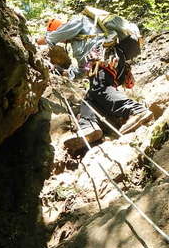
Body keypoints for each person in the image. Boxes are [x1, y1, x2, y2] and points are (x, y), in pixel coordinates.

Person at [37, 13, 153, 152]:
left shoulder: (78, 21)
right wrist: (64, 73)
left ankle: (136, 110)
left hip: (106, 60)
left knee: (100, 89)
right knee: (89, 99)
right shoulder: (82, 40)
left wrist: (37, 42)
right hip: (111, 64)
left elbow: (53, 37)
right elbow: (84, 68)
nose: (63, 40)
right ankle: (89, 128)